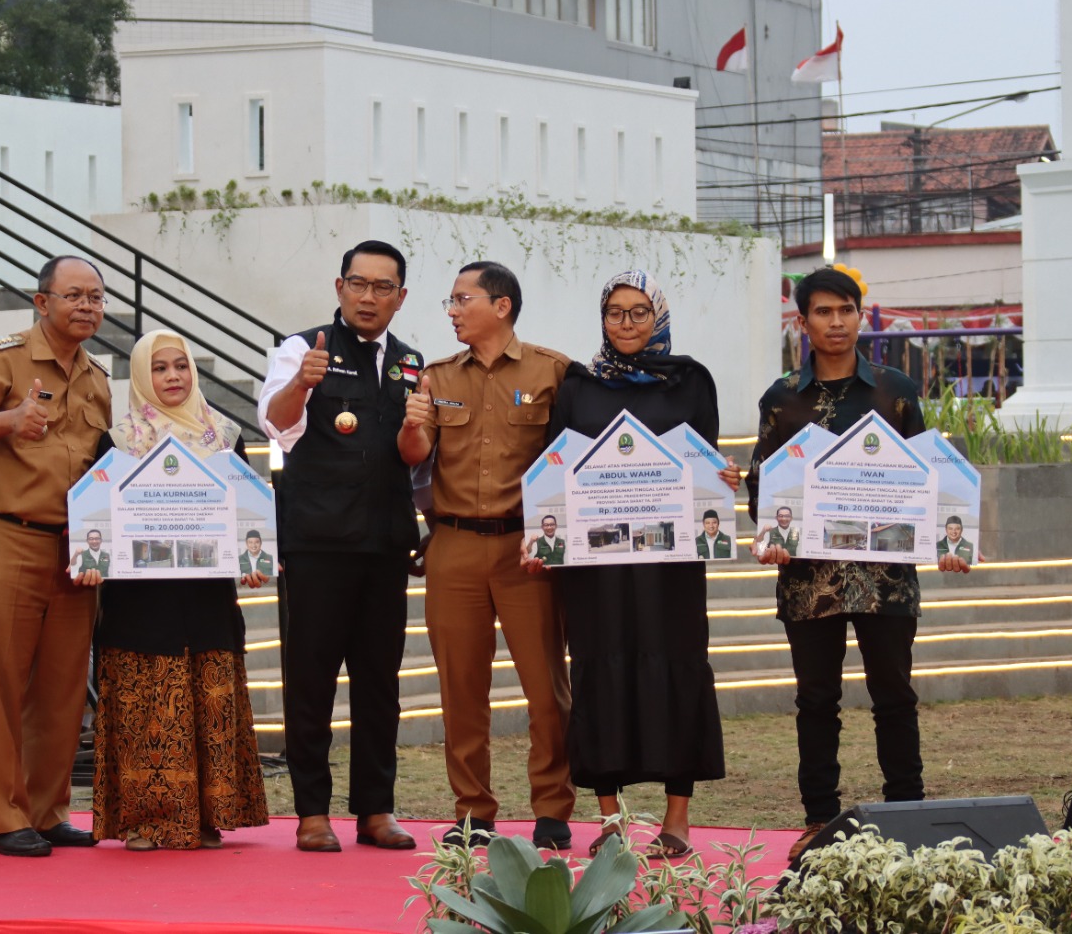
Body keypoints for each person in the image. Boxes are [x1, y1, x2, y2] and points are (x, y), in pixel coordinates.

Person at [746, 267, 972, 864]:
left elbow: (932, 480)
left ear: (861, 316)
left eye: (846, 310)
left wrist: (951, 540)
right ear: (804, 322)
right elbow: (761, 488)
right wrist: (768, 533)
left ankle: (908, 813)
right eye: (823, 311)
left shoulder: (894, 391)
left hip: (887, 580)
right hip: (808, 581)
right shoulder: (782, 399)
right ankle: (819, 817)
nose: (837, 321)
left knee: (894, 695)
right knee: (816, 701)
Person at [528, 269, 736, 860]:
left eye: (638, 311)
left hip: (669, 565)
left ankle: (676, 819)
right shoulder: (579, 386)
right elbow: (555, 467)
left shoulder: (691, 381)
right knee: (599, 671)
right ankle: (612, 820)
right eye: (615, 312)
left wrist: (724, 482)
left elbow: (707, 461)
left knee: (677, 666)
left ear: (659, 317)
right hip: (596, 566)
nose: (626, 323)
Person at [0, 255, 111, 858]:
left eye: (96, 297)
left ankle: (47, 809)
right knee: (0, 684)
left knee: (63, 689)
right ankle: (4, 817)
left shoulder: (96, 379)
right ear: (42, 303)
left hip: (73, 548)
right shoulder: (0, 356)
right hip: (2, 534)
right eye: (74, 296)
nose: (87, 306)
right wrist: (11, 419)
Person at [398, 261, 575, 850]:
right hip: (452, 544)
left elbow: (571, 461)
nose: (451, 310)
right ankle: (473, 809)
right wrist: (413, 425)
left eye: (461, 299)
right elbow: (413, 455)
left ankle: (552, 807)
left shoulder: (554, 372)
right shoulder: (436, 376)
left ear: (500, 306)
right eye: (449, 301)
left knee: (546, 688)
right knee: (460, 687)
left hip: (527, 550)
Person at [259, 239, 422, 853]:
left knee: (381, 683)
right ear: (339, 287)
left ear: (400, 297)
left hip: (385, 545)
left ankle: (376, 810)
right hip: (319, 543)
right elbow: (274, 424)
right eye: (359, 283)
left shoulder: (411, 362)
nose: (369, 296)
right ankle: (312, 813)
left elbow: (415, 452)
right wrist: (301, 385)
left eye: (383, 287)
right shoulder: (303, 349)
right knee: (313, 681)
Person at [91, 330, 270, 851]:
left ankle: (209, 816)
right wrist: (90, 559)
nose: (172, 377)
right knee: (149, 710)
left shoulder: (224, 436)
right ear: (143, 378)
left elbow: (248, 512)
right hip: (140, 604)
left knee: (206, 703)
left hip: (208, 599)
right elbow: (94, 512)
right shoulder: (120, 439)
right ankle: (149, 821)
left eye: (181, 367)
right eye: (160, 369)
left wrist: (251, 559)